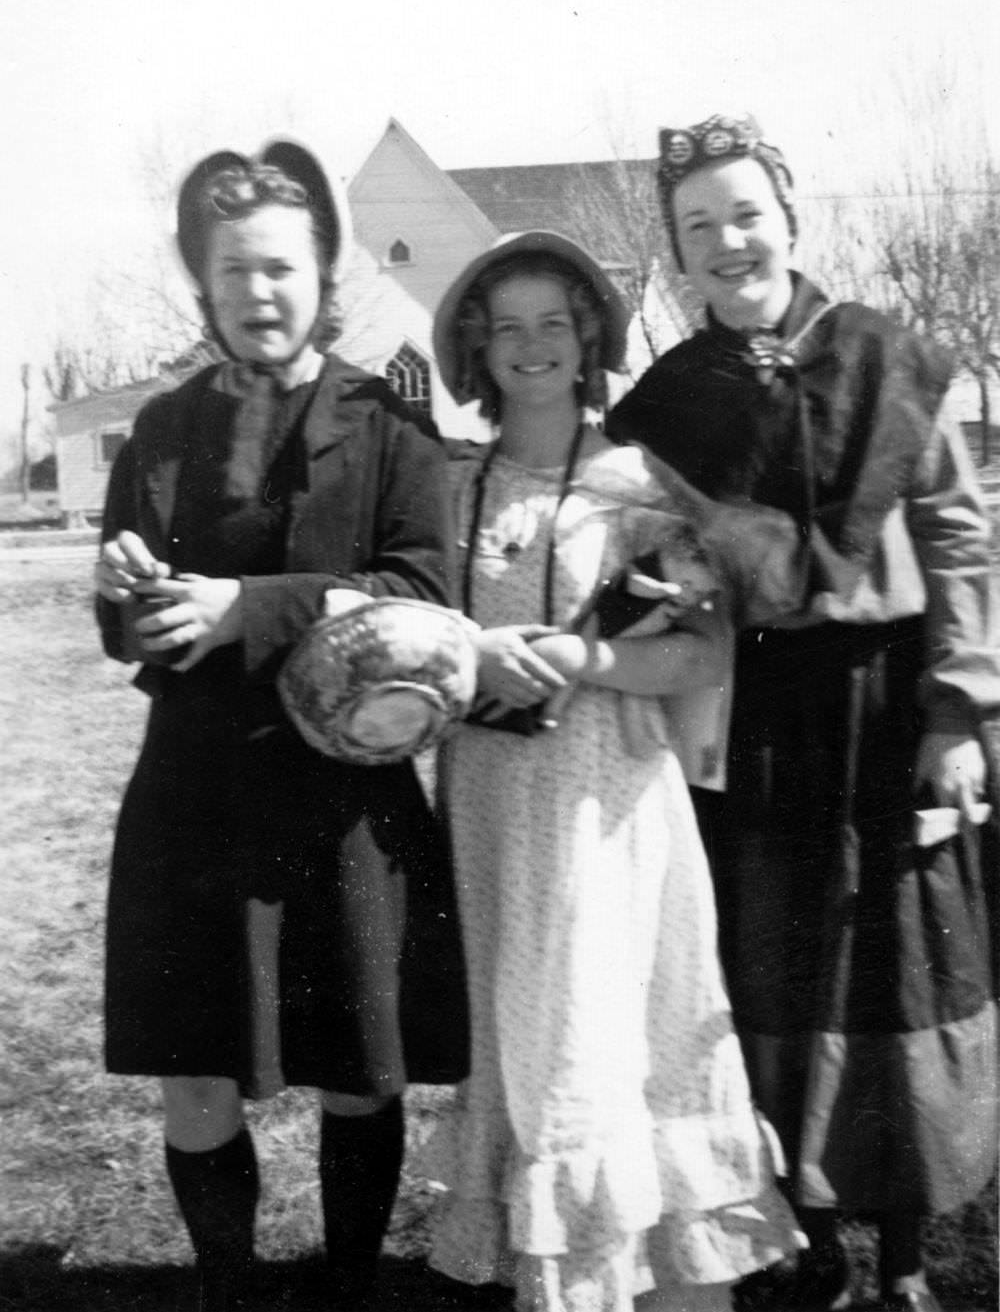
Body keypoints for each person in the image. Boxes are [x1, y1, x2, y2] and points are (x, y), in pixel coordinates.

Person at [608, 113, 1000, 1312]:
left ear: (792, 220)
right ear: (676, 256)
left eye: (746, 214)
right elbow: (645, 558)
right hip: (756, 716)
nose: (729, 242)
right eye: (699, 227)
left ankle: (900, 1260)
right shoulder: (666, 407)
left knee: (898, 983)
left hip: (890, 707)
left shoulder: (890, 357)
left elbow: (957, 535)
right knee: (773, 979)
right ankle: (814, 1244)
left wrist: (960, 707)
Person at [94, 140, 468, 1312]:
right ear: (203, 281)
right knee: (196, 1077)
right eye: (235, 270)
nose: (259, 292)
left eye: (282, 268)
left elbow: (421, 596)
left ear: (324, 274)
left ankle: (351, 1286)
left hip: (345, 801)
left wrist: (242, 608)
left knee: (358, 1075)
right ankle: (227, 1287)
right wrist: (127, 595)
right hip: (192, 798)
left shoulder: (390, 428)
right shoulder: (158, 429)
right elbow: (129, 630)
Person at [421, 230, 809, 1312]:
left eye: (555, 321)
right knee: (533, 1036)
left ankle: (664, 1288)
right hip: (492, 805)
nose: (533, 344)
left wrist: (589, 656)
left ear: (589, 332)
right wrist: (463, 657)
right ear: (477, 346)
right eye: (508, 327)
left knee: (604, 1030)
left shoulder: (639, 480)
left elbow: (705, 649)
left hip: (610, 803)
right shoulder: (450, 487)